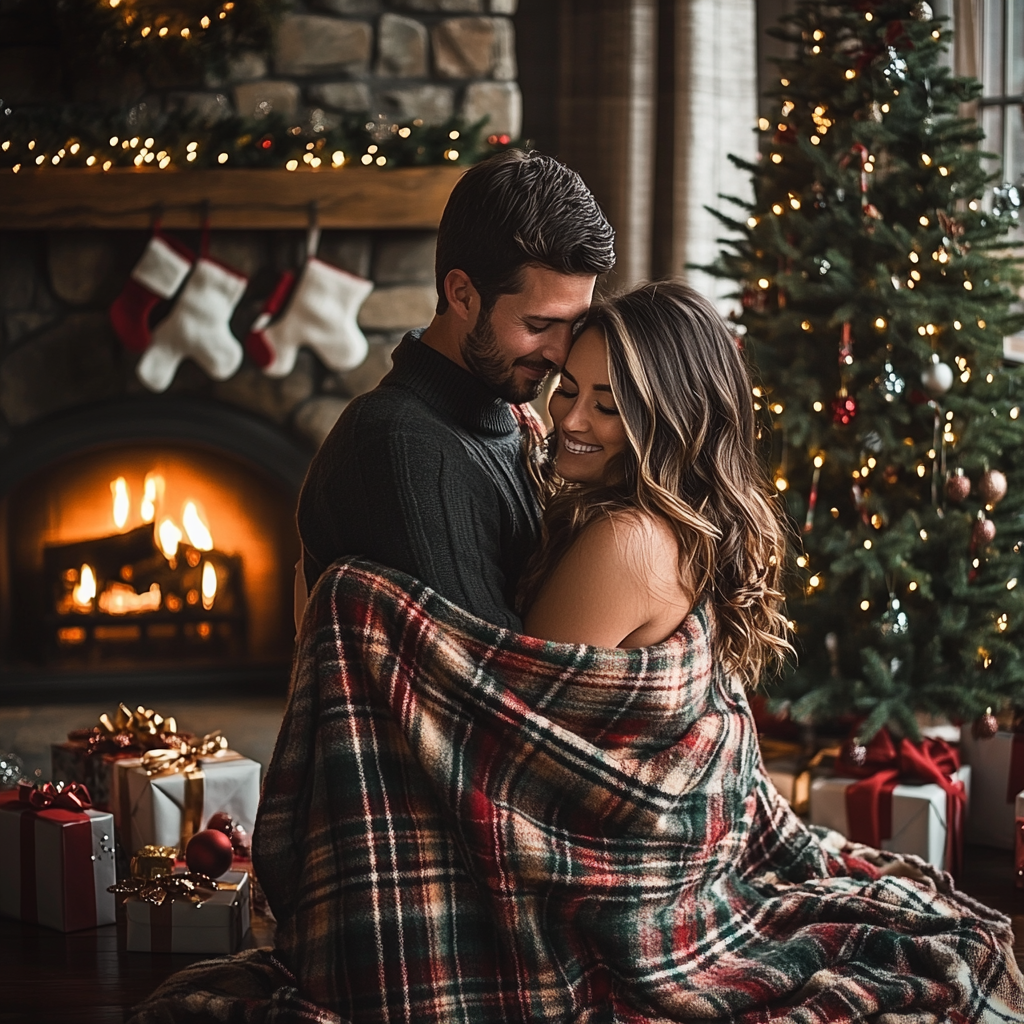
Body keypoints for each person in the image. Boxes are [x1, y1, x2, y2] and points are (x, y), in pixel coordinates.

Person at [295, 149, 616, 631]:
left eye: (575, 324)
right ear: (461, 294)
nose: (559, 352)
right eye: (538, 324)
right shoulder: (398, 443)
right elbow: (485, 681)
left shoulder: (512, 419)